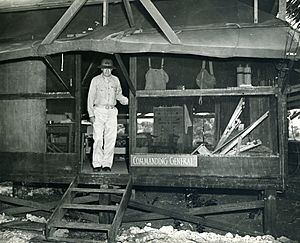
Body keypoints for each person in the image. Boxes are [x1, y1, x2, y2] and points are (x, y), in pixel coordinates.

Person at [87, 58, 128, 172]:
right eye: (105, 68)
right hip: (98, 111)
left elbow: (119, 95)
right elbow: (90, 98)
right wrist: (91, 114)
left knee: (110, 138)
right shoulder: (95, 80)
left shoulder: (116, 80)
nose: (107, 71)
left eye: (109, 69)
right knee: (98, 138)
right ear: (101, 69)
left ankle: (107, 164)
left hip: (112, 112)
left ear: (112, 69)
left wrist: (127, 100)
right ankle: (97, 164)